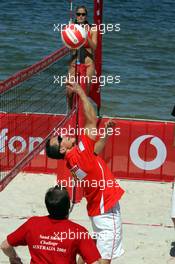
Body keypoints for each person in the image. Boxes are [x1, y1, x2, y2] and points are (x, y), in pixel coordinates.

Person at [46, 81, 125, 264]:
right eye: (59, 139)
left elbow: (95, 151)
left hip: (97, 208)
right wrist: (81, 92)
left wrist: (106, 133)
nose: (62, 135)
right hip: (106, 210)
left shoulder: (73, 159)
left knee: (94, 250)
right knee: (104, 258)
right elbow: (91, 119)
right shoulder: (78, 155)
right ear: (63, 150)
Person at [1, 185, 101, 264]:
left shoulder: (32, 224)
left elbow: (5, 246)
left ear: (47, 205)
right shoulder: (79, 231)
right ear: (68, 207)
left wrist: (14, 258)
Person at [67, 5, 97, 108]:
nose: (80, 16)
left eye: (83, 14)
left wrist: (85, 35)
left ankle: (83, 116)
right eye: (78, 14)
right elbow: (70, 49)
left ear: (86, 16)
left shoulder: (93, 29)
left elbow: (94, 47)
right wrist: (71, 34)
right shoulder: (72, 28)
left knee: (84, 92)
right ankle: (71, 111)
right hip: (74, 63)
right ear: (75, 15)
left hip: (88, 64)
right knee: (69, 91)